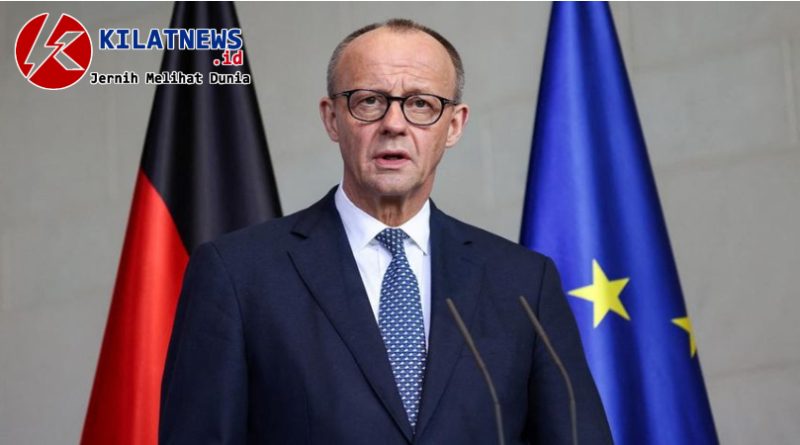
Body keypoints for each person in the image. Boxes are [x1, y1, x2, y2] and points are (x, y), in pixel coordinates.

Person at [160, 18, 612, 444]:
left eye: (421, 104)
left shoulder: (523, 283)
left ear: (454, 125)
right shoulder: (239, 274)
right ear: (332, 118)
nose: (394, 125)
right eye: (369, 101)